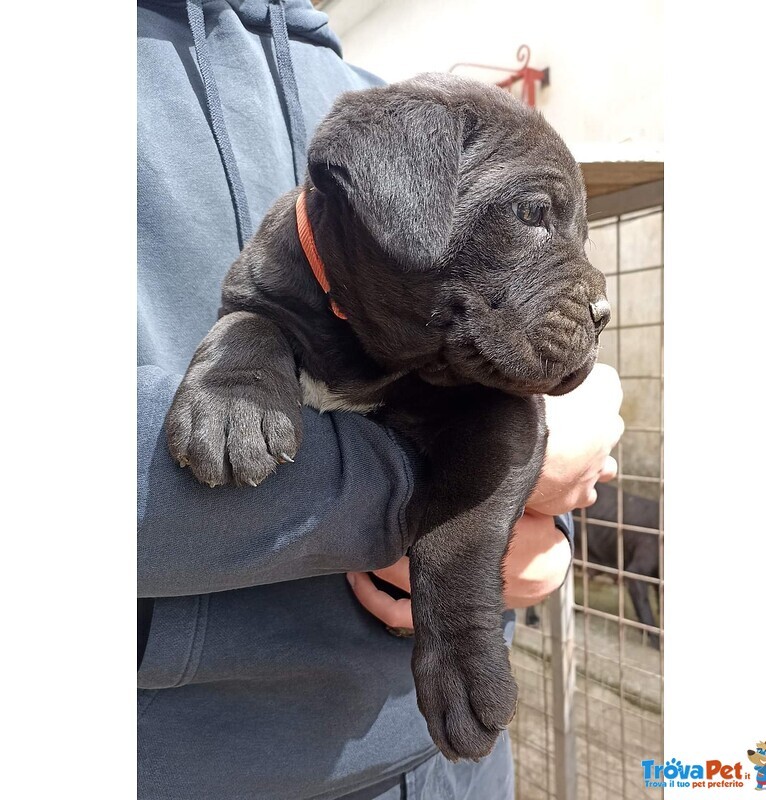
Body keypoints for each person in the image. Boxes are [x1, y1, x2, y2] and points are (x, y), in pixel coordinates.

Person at [137, 1, 623, 798]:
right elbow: (256, 315)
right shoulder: (357, 181)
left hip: (440, 769)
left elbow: (522, 444)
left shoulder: (373, 87)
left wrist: (533, 525)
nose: (592, 294)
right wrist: (244, 362)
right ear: (396, 195)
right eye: (536, 217)